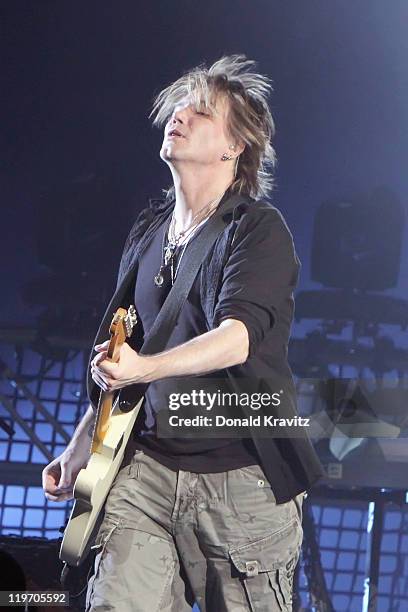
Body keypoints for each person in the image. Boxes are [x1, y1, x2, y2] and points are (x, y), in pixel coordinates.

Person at [42, 55, 324, 611]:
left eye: (202, 112)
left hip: (239, 483)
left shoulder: (257, 228)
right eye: (179, 107)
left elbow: (237, 337)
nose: (180, 116)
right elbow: (128, 351)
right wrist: (80, 445)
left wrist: (146, 367)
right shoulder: (149, 233)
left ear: (235, 146)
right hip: (144, 472)